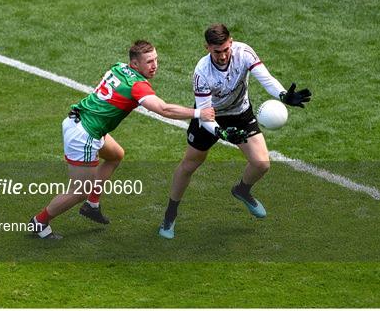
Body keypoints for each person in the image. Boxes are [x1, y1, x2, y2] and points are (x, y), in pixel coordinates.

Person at [29, 40, 215, 239]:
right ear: (135, 64)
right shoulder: (137, 86)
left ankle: (92, 204)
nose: (155, 66)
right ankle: (39, 222)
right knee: (80, 190)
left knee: (115, 155)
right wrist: (198, 113)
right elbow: (164, 109)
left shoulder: (119, 67)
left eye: (156, 60)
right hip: (84, 135)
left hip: (79, 120)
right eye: (149, 62)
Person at [158, 24, 311, 239]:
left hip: (240, 113)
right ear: (207, 48)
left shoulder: (244, 52)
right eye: (216, 51)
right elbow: (203, 114)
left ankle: (242, 190)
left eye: (225, 49)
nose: (222, 56)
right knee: (190, 164)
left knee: (262, 164)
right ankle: (170, 214)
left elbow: (265, 78)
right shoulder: (202, 72)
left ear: (231, 42)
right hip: (209, 117)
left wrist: (283, 95)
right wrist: (222, 133)